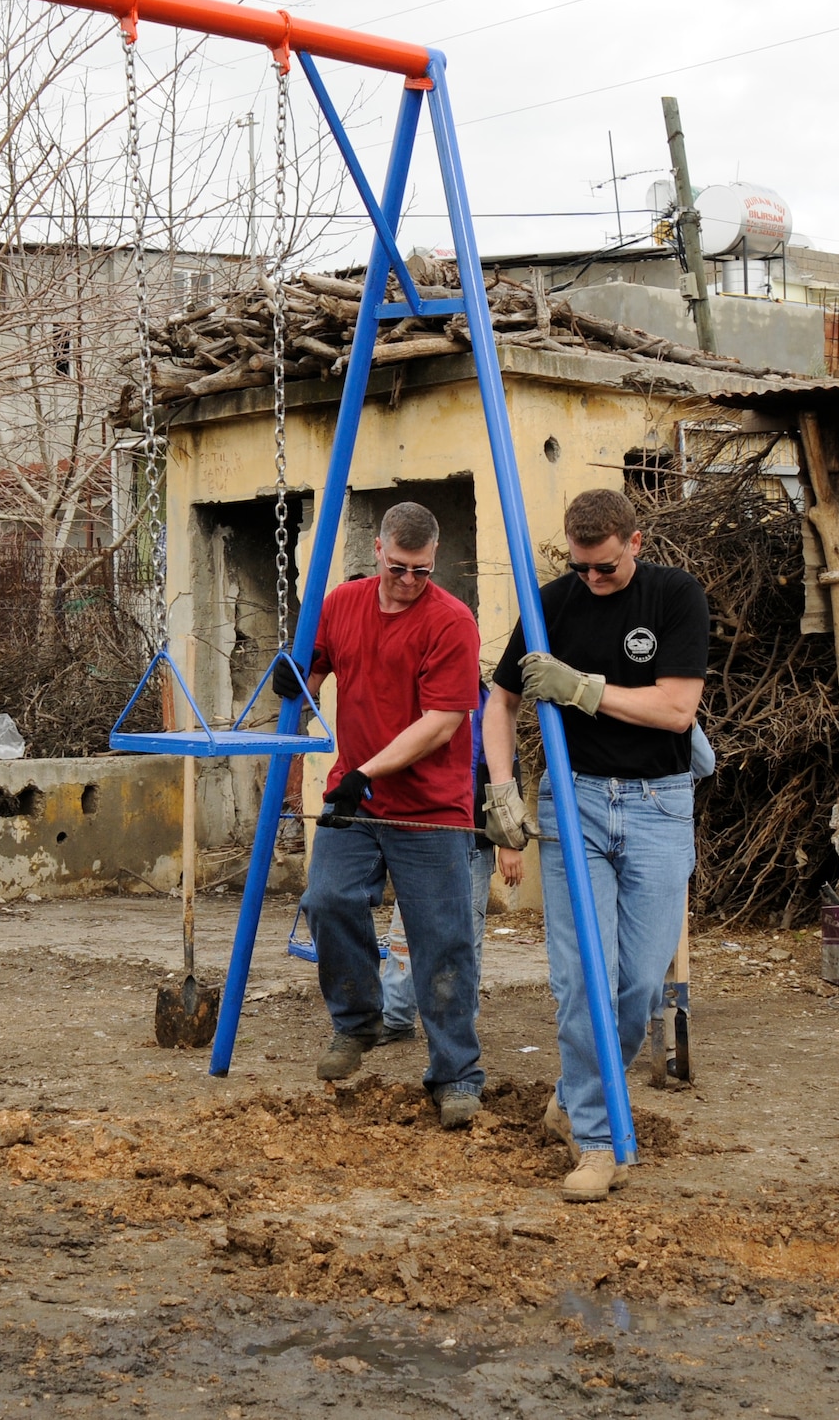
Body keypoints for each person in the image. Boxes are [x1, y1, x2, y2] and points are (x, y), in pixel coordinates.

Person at [481, 488, 708, 1202]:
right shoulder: (552, 603)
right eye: (581, 568)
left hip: (658, 807)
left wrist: (581, 689)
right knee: (582, 980)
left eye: (604, 567)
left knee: (637, 985)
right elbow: (501, 701)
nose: (592, 580)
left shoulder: (675, 597)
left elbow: (676, 709)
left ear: (634, 544)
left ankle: (575, 1091)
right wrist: (502, 788)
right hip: (574, 800)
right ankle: (599, 1139)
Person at [274, 502, 486, 1129]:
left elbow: (442, 721)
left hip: (431, 809)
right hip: (357, 798)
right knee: (327, 898)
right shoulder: (341, 604)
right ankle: (358, 1020)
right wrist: (296, 678)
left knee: (441, 942)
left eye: (422, 571)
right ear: (377, 549)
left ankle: (456, 1076)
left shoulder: (452, 621)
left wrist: (366, 772)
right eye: (400, 568)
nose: (410, 581)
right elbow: (310, 668)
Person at [375, 680, 500, 1044]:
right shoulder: (415, 695)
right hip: (423, 834)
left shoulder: (487, 703)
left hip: (473, 840)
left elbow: (501, 770)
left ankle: (458, 1025)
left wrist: (504, 842)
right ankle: (395, 1015)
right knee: (404, 930)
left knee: (462, 935)